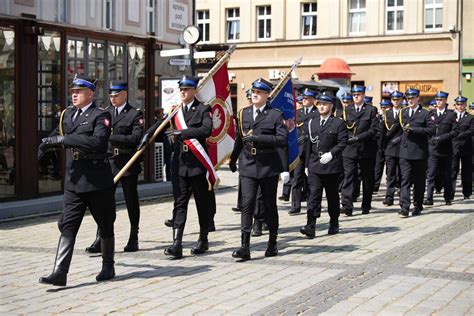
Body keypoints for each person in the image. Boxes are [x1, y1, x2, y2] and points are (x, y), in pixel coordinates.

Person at [38, 76, 116, 286]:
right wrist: (46, 143)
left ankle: (108, 265)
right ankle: (59, 272)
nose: (74, 94)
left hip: (97, 180)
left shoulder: (101, 115)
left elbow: (97, 142)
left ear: (90, 94)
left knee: (106, 225)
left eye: (79, 91)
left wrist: (63, 140)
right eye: (72, 91)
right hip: (74, 179)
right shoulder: (68, 114)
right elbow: (59, 132)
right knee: (69, 226)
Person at [229, 78, 289, 260]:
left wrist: (259, 138)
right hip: (247, 164)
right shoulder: (243, 113)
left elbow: (281, 139)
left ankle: (272, 242)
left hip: (267, 166)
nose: (255, 94)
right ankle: (244, 246)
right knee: (247, 204)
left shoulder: (275, 115)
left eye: (260, 92)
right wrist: (233, 159)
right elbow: (240, 138)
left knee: (269, 205)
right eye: (253, 91)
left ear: (267, 95)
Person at [85, 82, 144, 253]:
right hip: (109, 164)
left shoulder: (135, 114)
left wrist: (112, 138)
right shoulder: (106, 113)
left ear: (124, 95)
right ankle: (100, 238)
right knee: (103, 203)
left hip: (127, 163)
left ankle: (134, 237)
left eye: (115, 95)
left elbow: (136, 138)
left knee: (131, 202)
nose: (112, 99)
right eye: (110, 96)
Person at [300, 93, 347, 238]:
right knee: (313, 196)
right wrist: (307, 164)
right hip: (315, 164)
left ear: (331, 106)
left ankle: (334, 222)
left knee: (332, 196)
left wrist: (332, 154)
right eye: (319, 104)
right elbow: (308, 144)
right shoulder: (311, 122)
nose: (321, 106)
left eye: (324, 104)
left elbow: (343, 142)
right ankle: (310, 225)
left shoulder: (338, 123)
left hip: (331, 165)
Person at [340, 85, 379, 216]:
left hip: (365, 148)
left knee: (367, 178)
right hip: (349, 149)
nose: (356, 96)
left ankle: (366, 204)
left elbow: (374, 130)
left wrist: (358, 138)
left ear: (363, 95)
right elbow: (343, 128)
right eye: (354, 94)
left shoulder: (371, 110)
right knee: (349, 176)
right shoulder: (347, 109)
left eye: (358, 94)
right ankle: (346, 205)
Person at [398, 88, 435, 217]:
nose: (410, 100)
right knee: (405, 179)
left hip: (419, 152)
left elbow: (431, 130)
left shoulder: (426, 113)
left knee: (419, 181)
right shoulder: (403, 112)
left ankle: (418, 205)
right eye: (408, 98)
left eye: (412, 98)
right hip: (405, 151)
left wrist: (414, 129)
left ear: (418, 98)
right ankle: (404, 206)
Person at [424, 91, 458, 206]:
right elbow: (427, 129)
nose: (438, 102)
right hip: (432, 149)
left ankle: (447, 197)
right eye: (437, 100)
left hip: (446, 150)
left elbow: (455, 131)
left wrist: (442, 138)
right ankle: (429, 198)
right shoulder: (431, 114)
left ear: (445, 101)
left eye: (441, 100)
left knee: (446, 175)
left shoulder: (451, 115)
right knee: (431, 174)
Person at [288, 89, 317, 216]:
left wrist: (306, 137)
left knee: (312, 180)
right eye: (303, 98)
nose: (304, 100)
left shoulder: (317, 113)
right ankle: (295, 205)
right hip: (299, 150)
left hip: (312, 150)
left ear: (313, 99)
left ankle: (312, 204)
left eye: (307, 98)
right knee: (297, 179)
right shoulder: (297, 112)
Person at [381, 91, 404, 206]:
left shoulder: (405, 112)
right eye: (394, 100)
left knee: (401, 173)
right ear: (391, 101)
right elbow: (383, 131)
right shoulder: (387, 113)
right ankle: (389, 196)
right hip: (390, 147)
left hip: (402, 146)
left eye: (398, 99)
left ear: (401, 100)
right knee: (390, 173)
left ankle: (401, 194)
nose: (396, 101)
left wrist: (400, 139)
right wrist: (382, 147)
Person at [451, 96, 473, 200]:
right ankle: (450, 193)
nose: (460, 106)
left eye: (462, 104)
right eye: (458, 104)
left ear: (465, 105)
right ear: (455, 105)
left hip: (466, 147)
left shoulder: (470, 117)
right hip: (453, 147)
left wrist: (460, 134)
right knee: (453, 170)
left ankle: (467, 193)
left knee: (466, 171)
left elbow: (472, 130)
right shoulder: (451, 116)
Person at [373, 99, 391, 192]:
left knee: (390, 168)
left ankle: (391, 185)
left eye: (386, 107)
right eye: (382, 107)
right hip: (379, 146)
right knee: (378, 167)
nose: (384, 109)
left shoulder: (392, 117)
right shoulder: (377, 118)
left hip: (389, 145)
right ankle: (375, 186)